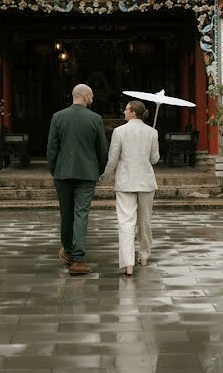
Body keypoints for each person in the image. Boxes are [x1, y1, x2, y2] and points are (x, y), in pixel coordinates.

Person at [47, 83, 108, 276]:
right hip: (87, 172)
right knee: (81, 213)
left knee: (66, 212)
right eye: (91, 96)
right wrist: (98, 170)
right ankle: (78, 259)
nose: (92, 99)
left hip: (62, 172)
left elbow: (51, 149)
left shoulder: (58, 117)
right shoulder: (95, 119)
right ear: (84, 96)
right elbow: (102, 150)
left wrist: (55, 169)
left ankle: (67, 250)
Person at [102, 100, 160, 276]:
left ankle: (128, 264)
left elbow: (113, 158)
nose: (124, 112)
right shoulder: (152, 132)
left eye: (126, 109)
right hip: (146, 182)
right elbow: (154, 159)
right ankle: (144, 256)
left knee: (126, 223)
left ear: (133, 113)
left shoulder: (119, 132)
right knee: (145, 221)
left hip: (126, 181)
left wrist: (105, 176)